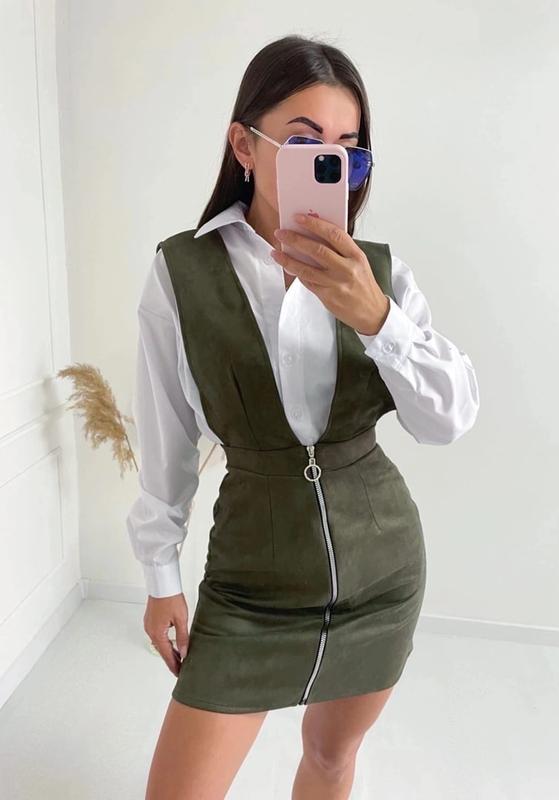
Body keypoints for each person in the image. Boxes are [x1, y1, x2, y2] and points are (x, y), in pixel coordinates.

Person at [126, 33, 480, 800]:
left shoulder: (380, 275)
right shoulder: (180, 272)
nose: (330, 167)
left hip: (382, 577)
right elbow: (167, 440)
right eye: (304, 143)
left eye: (348, 151)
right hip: (250, 587)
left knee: (329, 757)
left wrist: (378, 318)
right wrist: (160, 576)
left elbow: (448, 419)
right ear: (243, 147)